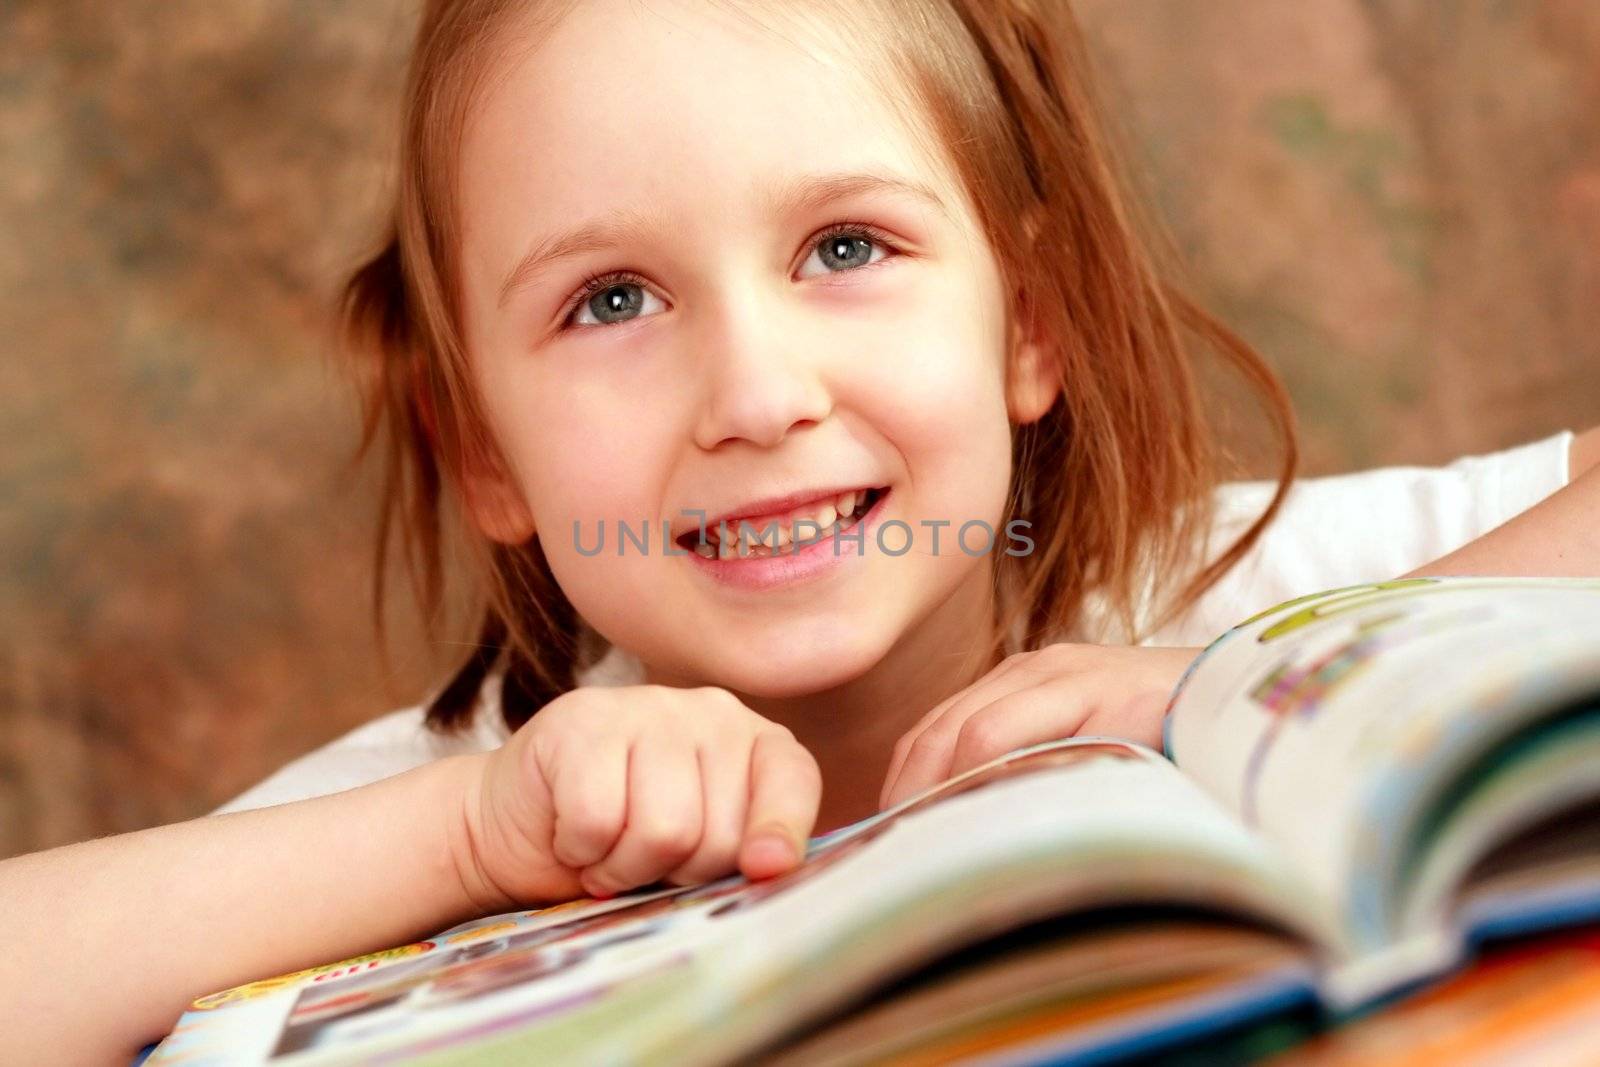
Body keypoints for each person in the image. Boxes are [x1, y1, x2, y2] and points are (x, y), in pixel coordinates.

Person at [3, 1, 1596, 1062]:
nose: (756, 394)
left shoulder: (1216, 599)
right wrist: (470, 841)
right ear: (480, 447)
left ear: (1025, 326)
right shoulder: (477, 808)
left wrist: (1252, 674)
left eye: (845, 245)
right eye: (610, 298)